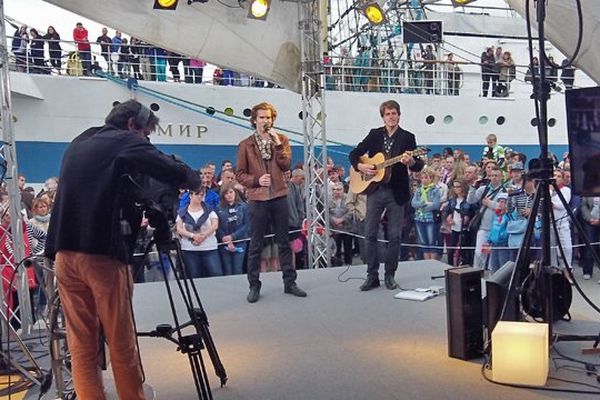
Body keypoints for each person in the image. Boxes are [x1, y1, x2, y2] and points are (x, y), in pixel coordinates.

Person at [45, 100, 201, 400]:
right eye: (145, 134)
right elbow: (168, 169)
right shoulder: (125, 141)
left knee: (81, 345)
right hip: (101, 256)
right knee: (121, 342)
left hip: (64, 256)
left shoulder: (82, 140)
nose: (145, 140)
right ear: (132, 124)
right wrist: (192, 179)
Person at [349, 100, 424, 290]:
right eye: (387, 114)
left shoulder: (408, 137)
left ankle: (390, 274)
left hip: (396, 191)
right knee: (370, 233)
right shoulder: (375, 134)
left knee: (395, 236)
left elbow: (418, 164)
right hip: (375, 191)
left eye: (394, 113)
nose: (391, 117)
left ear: (399, 115)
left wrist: (409, 162)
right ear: (383, 116)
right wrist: (361, 166)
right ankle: (371, 275)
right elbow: (355, 153)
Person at [235, 102, 307, 303]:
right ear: (255, 120)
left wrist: (277, 145)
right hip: (258, 198)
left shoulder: (282, 139)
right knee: (256, 243)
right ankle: (254, 285)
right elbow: (239, 174)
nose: (266, 121)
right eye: (262, 117)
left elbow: (285, 165)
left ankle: (290, 282)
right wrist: (256, 181)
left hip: (279, 195)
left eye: (269, 118)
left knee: (284, 241)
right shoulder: (245, 145)